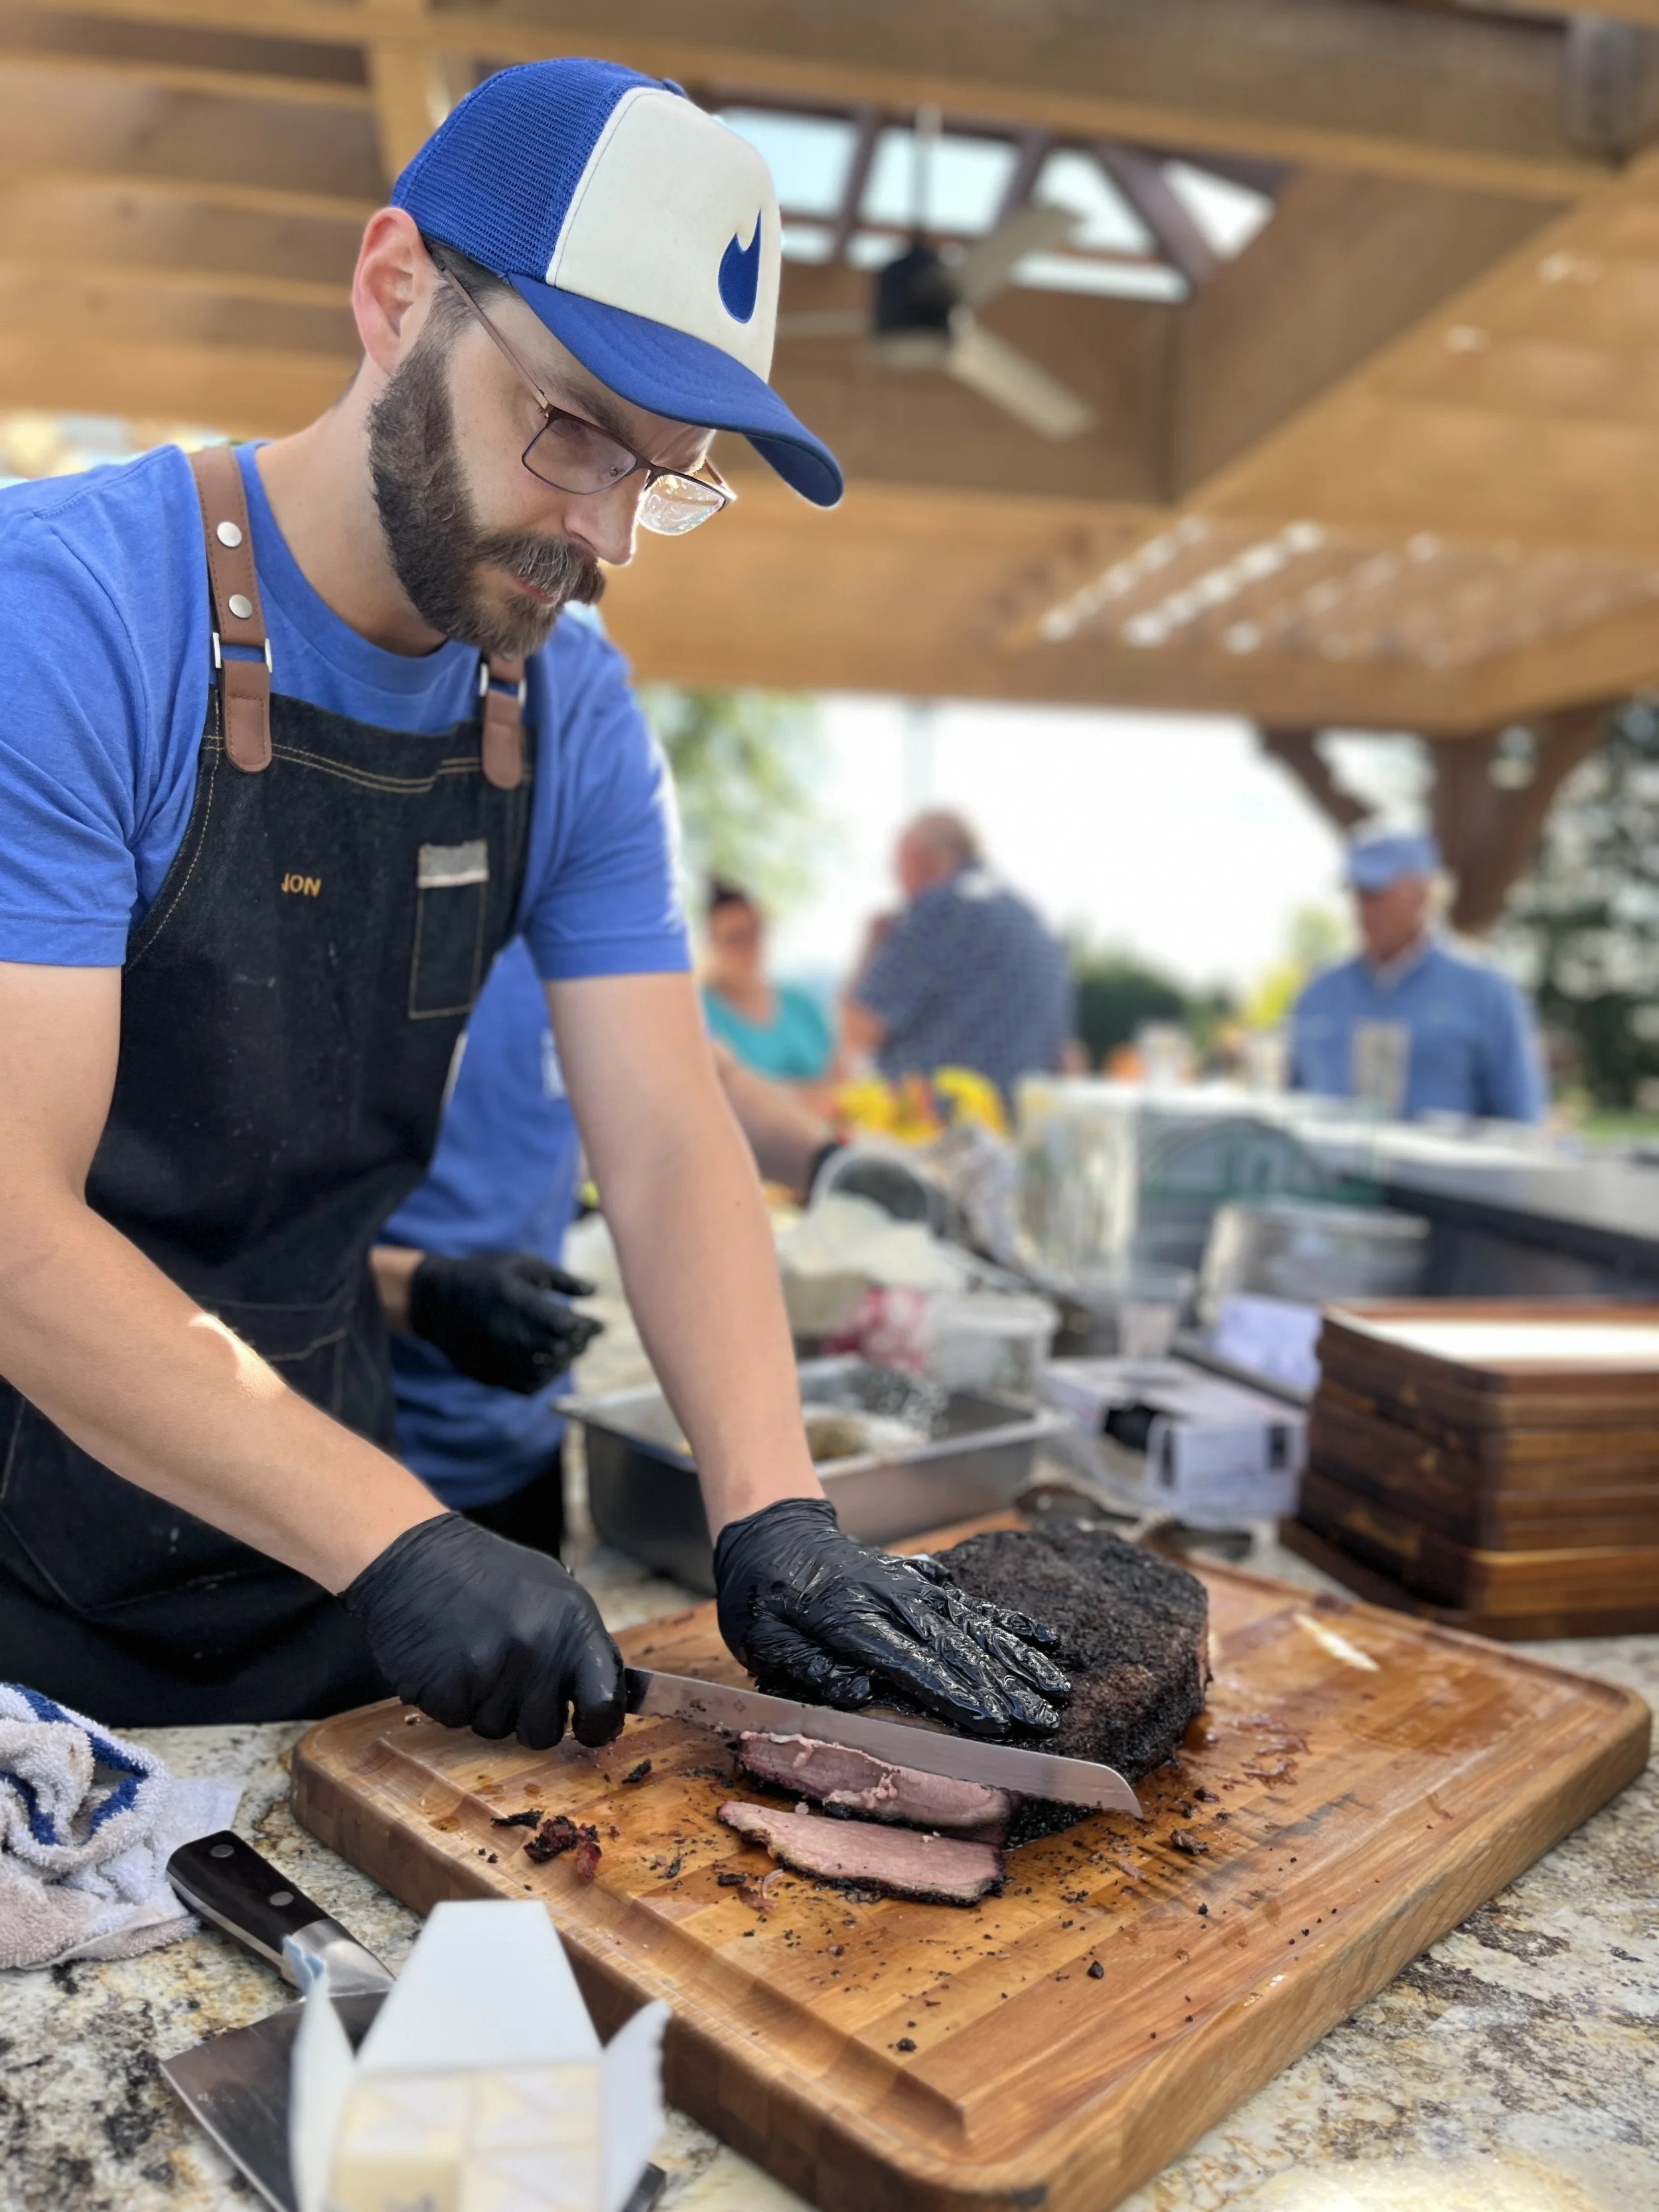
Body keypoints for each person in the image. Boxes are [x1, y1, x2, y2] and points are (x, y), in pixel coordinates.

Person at [0, 58, 1068, 1749]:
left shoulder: (568, 708)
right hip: (29, 1604)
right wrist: (402, 1537)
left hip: (315, 1571)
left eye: (670, 471)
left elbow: (659, 1129)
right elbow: (10, 1225)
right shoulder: (62, 617)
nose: (610, 532)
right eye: (573, 429)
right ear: (393, 291)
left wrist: (774, 1512)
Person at [1289, 830, 1544, 1124]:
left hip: (1444, 1170)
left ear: (1423, 895)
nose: (1362, 907)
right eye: (1355, 892)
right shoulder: (1318, 993)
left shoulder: (1487, 993)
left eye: (1375, 892)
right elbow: (1290, 1109)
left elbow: (1521, 1123)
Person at [841, 810, 1072, 1102]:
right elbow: (1066, 1057)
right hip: (1016, 1129)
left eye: (896, 862)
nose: (894, 877)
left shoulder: (940, 906)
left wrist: (871, 946)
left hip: (936, 1133)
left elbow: (856, 1031)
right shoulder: (1031, 916)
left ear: (918, 858)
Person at [699, 880, 831, 1081]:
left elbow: (842, 1081)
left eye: (755, 933)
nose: (749, 947)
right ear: (712, 941)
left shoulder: (801, 1004)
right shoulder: (698, 1011)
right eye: (736, 938)